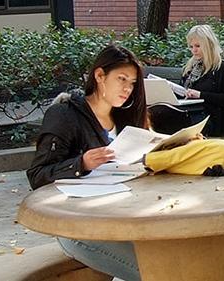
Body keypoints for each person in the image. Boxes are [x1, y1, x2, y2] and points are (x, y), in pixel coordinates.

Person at [26, 45, 147, 281]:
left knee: (181, 255)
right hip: (79, 225)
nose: (127, 89)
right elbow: (37, 175)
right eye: (121, 79)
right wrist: (81, 163)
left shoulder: (125, 117)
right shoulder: (65, 115)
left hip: (124, 216)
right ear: (99, 76)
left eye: (132, 83)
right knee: (158, 271)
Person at [181, 24, 224, 137]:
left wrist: (200, 95)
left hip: (212, 118)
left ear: (208, 44)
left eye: (198, 46)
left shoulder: (223, 66)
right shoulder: (192, 66)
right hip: (189, 112)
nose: (194, 50)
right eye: (191, 46)